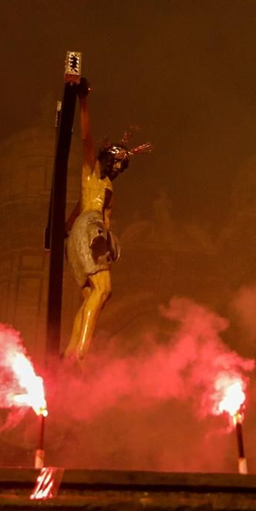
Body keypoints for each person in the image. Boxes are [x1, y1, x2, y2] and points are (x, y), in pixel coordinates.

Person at [64, 95, 149, 362]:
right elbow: (86, 138)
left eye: (124, 164)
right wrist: (84, 102)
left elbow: (81, 209)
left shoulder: (106, 186)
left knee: (93, 294)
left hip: (90, 233)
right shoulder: (92, 172)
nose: (120, 166)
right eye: (118, 161)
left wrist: (65, 230)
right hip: (90, 230)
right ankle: (80, 354)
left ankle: (70, 353)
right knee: (103, 289)